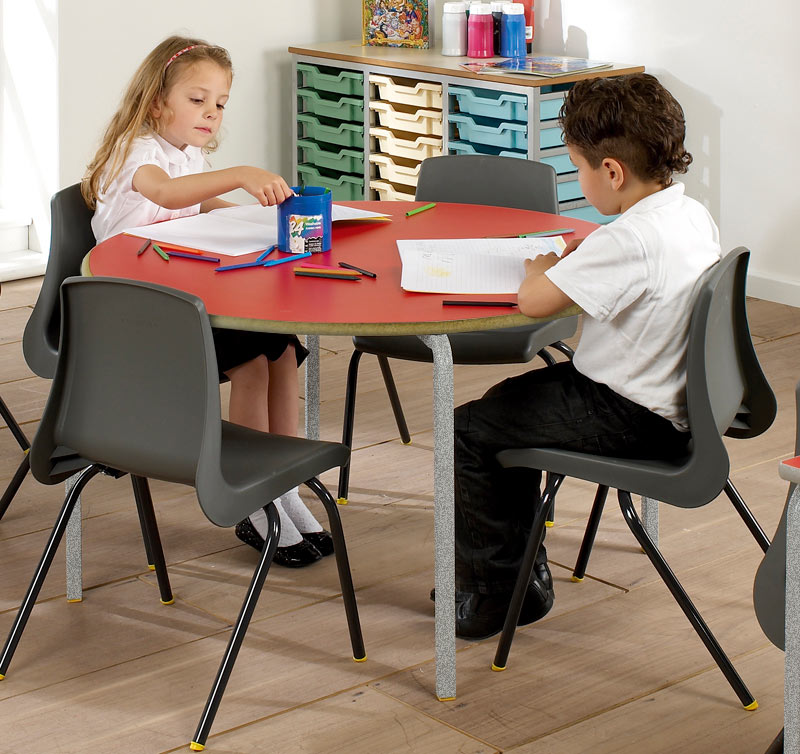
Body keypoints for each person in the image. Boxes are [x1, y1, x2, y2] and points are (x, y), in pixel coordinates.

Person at [452, 73, 721, 639]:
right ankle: (519, 571)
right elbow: (630, 265)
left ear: (612, 172)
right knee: (503, 409)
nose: (579, 179)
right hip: (676, 403)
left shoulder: (630, 241)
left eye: (578, 167)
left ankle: (502, 593)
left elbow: (534, 299)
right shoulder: (688, 215)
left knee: (470, 430)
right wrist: (589, 251)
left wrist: (541, 267)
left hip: (626, 412)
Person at [82, 35, 332, 568]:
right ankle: (249, 497)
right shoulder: (139, 153)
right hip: (134, 315)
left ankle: (284, 486)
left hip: (183, 299)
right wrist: (244, 173)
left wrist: (262, 218)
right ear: (157, 102)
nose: (211, 113)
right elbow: (169, 195)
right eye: (198, 100)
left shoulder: (187, 154)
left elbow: (205, 203)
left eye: (220, 104)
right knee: (251, 361)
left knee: (280, 348)